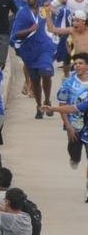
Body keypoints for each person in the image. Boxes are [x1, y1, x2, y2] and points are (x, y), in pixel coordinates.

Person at [12, 0, 58, 119]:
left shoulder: (44, 10)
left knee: (46, 72)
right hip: (29, 50)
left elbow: (51, 27)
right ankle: (39, 105)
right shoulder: (22, 13)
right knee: (35, 80)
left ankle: (47, 100)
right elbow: (16, 34)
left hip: (45, 47)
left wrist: (51, 13)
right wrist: (30, 30)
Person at [43, 71, 88, 201]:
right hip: (81, 128)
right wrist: (52, 109)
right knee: (75, 154)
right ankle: (74, 158)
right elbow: (73, 108)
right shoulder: (71, 85)